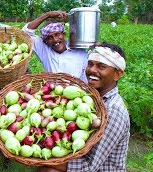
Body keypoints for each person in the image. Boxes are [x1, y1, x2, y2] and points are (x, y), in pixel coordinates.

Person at [38, 42, 130, 171]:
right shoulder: (88, 98)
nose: (92, 70)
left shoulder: (113, 111)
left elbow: (88, 167)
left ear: (117, 74)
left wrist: (41, 158)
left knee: (49, 170)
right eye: (90, 64)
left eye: (101, 66)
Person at [22, 11, 88, 82]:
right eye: (49, 38)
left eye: (57, 34)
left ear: (64, 34)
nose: (55, 40)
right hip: (51, 91)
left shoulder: (80, 52)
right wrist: (47, 15)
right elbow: (25, 33)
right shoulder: (44, 49)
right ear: (45, 41)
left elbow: (86, 80)